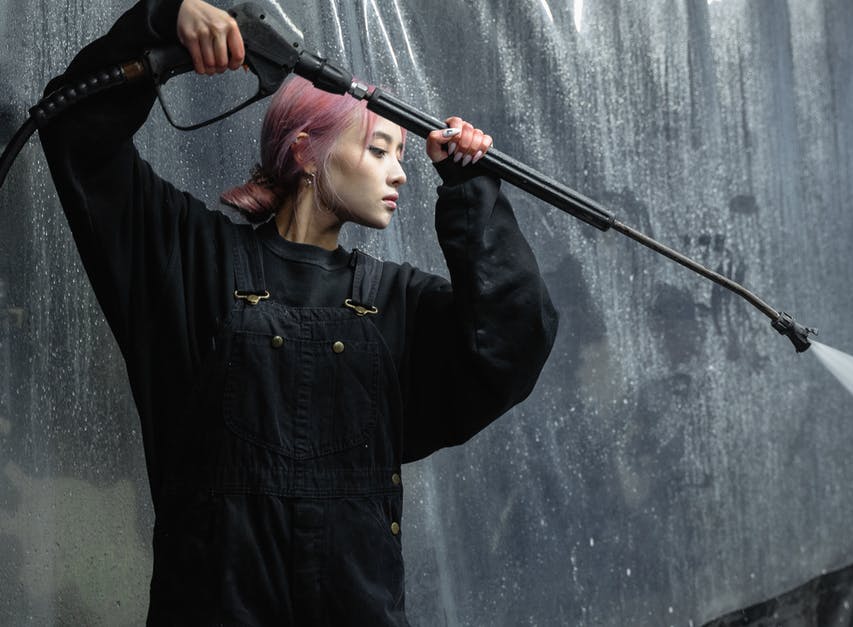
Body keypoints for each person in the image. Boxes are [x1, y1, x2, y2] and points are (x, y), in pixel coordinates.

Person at [37, 0, 558, 623]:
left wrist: (471, 191)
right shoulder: (188, 263)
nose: (401, 173)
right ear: (307, 152)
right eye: (380, 149)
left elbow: (512, 340)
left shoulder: (401, 305)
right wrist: (162, 22)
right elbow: (75, 131)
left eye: (400, 154)